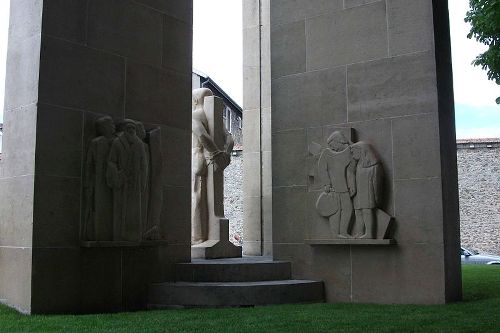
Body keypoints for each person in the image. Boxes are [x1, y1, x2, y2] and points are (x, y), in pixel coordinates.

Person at [191, 88, 233, 244]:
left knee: (197, 196)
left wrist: (216, 154)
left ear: (195, 100)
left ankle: (197, 237)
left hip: (199, 158)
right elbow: (230, 139)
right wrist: (225, 154)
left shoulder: (195, 115)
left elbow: (201, 135)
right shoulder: (216, 119)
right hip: (214, 159)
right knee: (204, 196)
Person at [107, 119, 148, 241]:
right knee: (120, 208)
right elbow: (111, 161)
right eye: (129, 128)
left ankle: (134, 235)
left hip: (135, 183)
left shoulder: (139, 144)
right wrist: (117, 175)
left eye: (133, 128)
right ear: (124, 130)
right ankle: (119, 235)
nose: (131, 130)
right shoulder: (117, 143)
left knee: (134, 211)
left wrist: (142, 182)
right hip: (122, 181)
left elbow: (144, 165)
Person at [317, 131, 356, 238]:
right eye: (329, 145)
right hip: (333, 189)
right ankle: (335, 234)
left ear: (338, 141)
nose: (331, 147)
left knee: (348, 209)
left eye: (332, 144)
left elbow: (351, 171)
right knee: (335, 210)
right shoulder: (326, 153)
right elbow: (322, 169)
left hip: (345, 188)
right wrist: (326, 183)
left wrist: (352, 185)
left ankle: (343, 232)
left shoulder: (349, 152)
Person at [84, 116, 116, 240]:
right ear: (103, 128)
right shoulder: (96, 142)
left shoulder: (117, 142)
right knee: (99, 207)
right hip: (99, 181)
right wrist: (87, 181)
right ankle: (99, 233)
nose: (113, 125)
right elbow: (89, 163)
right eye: (111, 123)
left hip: (115, 181)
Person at [351, 141, 382, 239]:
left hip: (368, 193)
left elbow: (376, 183)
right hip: (358, 194)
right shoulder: (358, 165)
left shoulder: (373, 166)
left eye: (354, 152)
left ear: (362, 151)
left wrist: (376, 197)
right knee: (358, 213)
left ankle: (369, 233)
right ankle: (360, 232)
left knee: (366, 212)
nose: (352, 155)